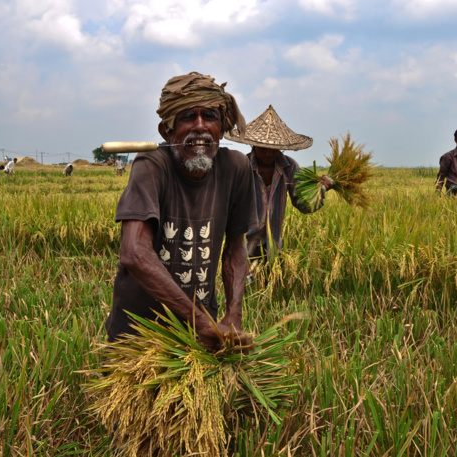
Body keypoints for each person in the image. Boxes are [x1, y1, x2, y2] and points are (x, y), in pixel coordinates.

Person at [104, 71, 257, 349]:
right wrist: (201, 323)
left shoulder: (236, 168)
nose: (200, 126)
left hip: (201, 333)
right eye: (187, 117)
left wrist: (233, 314)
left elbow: (236, 248)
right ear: (167, 131)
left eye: (209, 116)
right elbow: (134, 253)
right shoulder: (152, 165)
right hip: (142, 332)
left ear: (221, 129)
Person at [224, 105, 332, 264]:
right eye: (264, 148)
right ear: (253, 144)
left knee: (272, 285)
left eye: (273, 149)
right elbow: (227, 210)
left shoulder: (290, 167)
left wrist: (320, 191)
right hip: (243, 247)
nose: (269, 153)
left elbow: (303, 205)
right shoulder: (242, 166)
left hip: (273, 248)